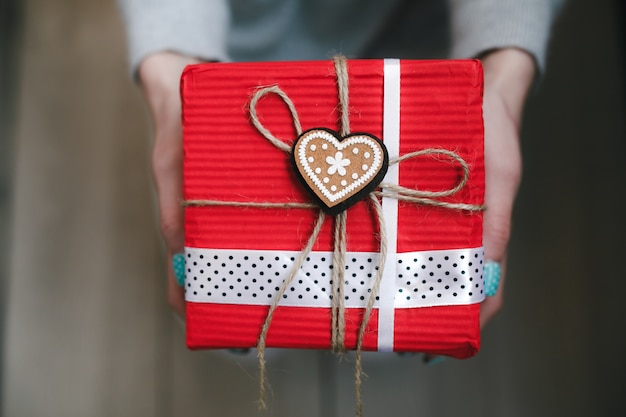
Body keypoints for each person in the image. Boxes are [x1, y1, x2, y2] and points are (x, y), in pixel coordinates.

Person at [117, 0, 560, 328]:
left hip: (430, 51)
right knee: (243, 295)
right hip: (229, 63)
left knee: (383, 298)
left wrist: (502, 69)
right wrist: (169, 62)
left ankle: (371, 323)